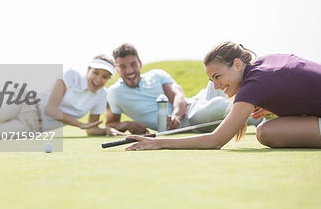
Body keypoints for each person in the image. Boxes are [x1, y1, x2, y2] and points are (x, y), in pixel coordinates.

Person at [125, 41, 321, 150]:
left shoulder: (254, 84)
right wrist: (275, 106)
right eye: (212, 81)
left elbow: (215, 140)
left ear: (237, 64)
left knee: (265, 132)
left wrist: (158, 143)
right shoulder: (263, 63)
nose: (217, 86)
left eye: (218, 76)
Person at [106, 43, 250, 135]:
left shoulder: (157, 74)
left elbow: (177, 95)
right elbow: (111, 124)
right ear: (116, 69)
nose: (130, 70)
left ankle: (263, 105)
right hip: (190, 122)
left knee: (222, 83)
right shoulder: (114, 93)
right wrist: (126, 124)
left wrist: (176, 114)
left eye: (133, 64)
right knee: (219, 104)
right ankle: (259, 118)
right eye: (123, 67)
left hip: (194, 105)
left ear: (140, 63)